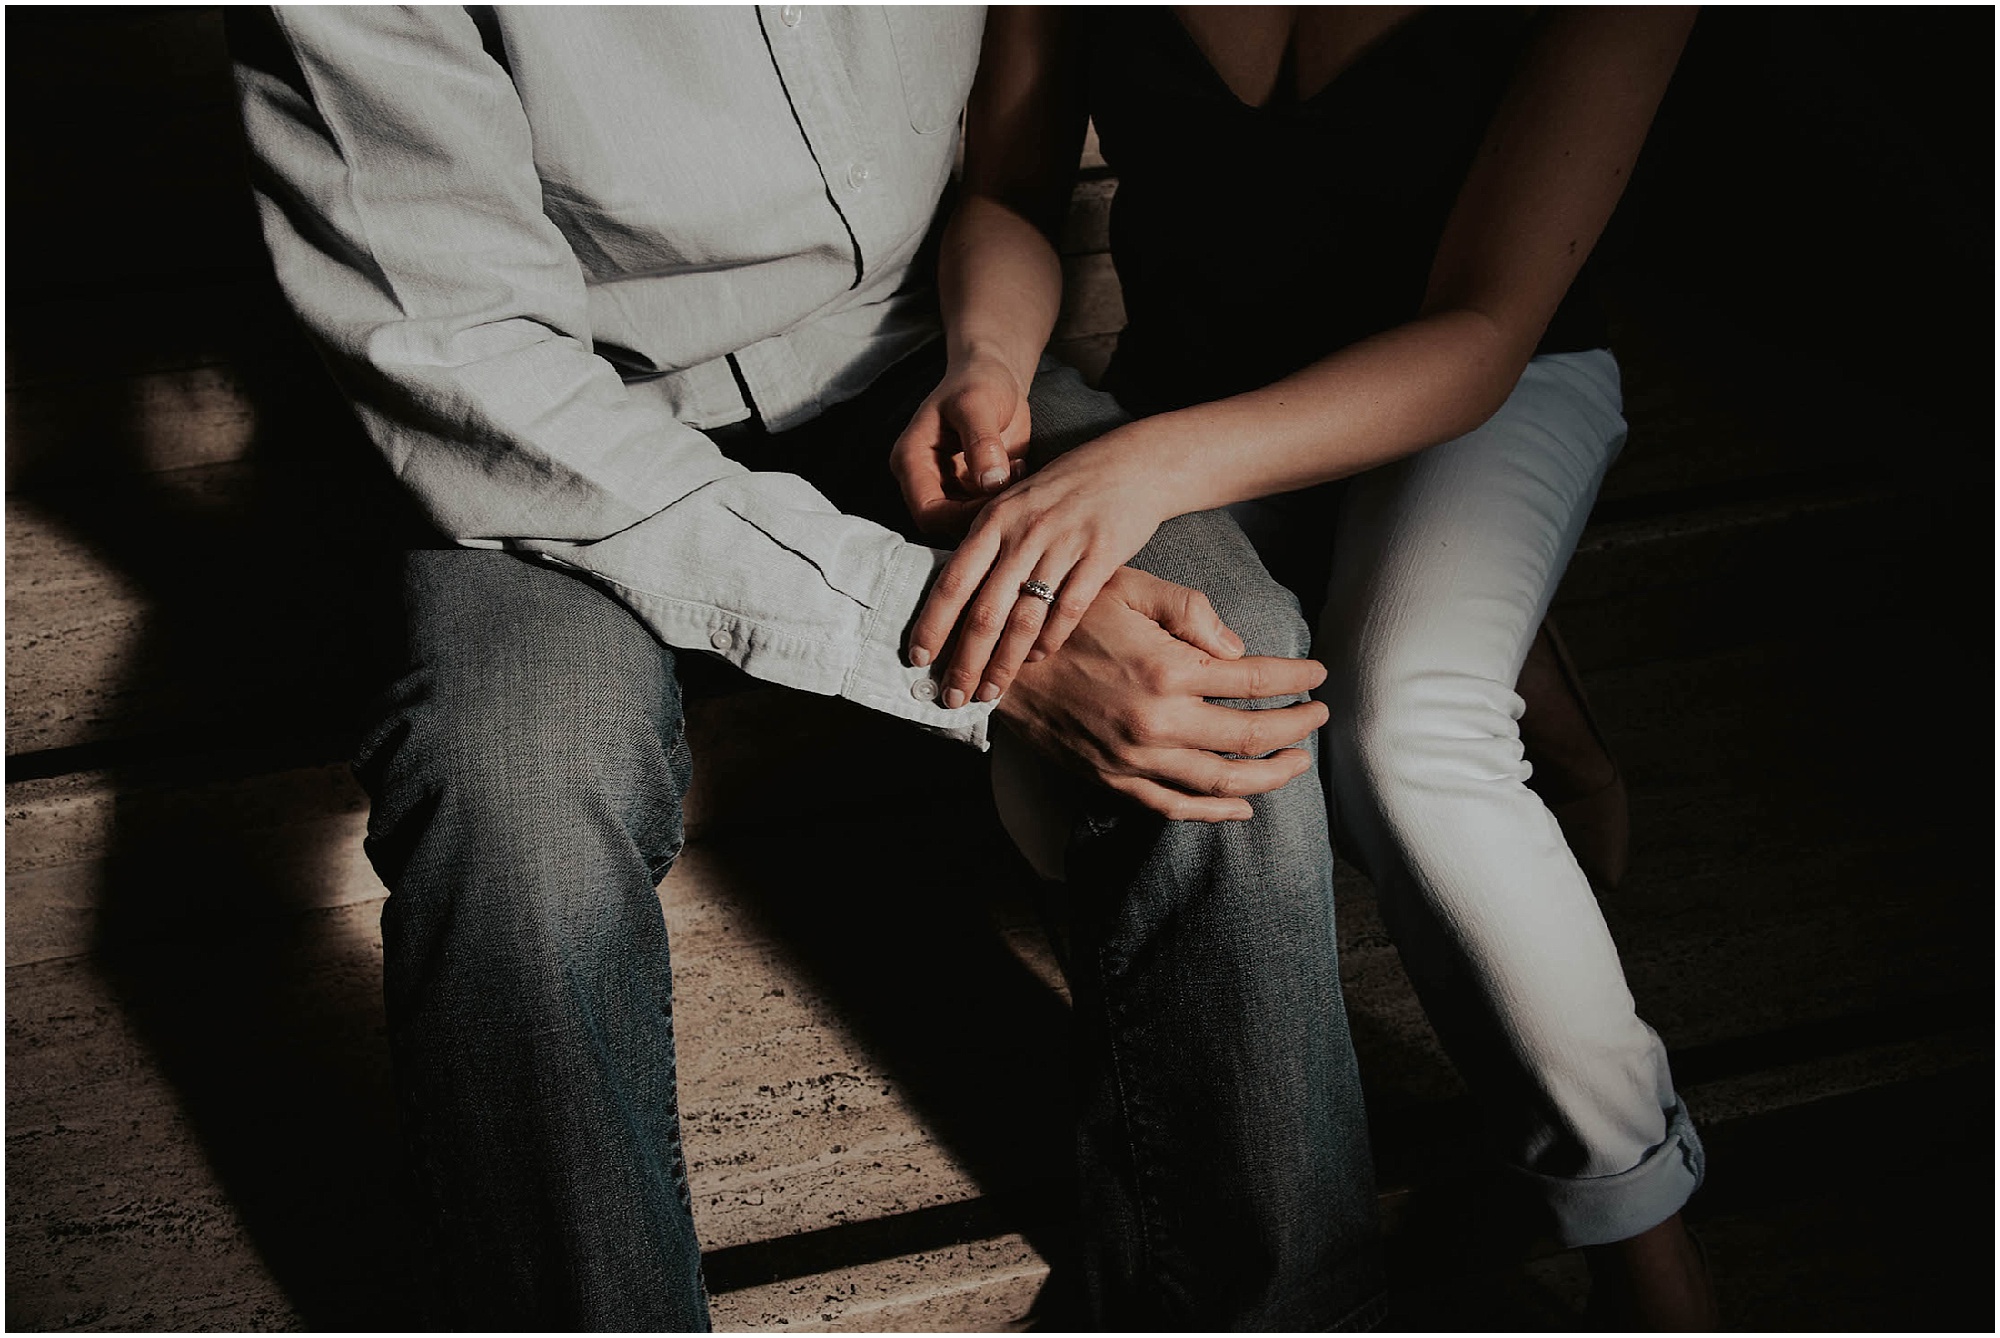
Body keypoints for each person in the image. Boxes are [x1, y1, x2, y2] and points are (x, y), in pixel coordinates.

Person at [230, 7, 1385, 1330]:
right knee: (508, 795)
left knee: (1225, 649)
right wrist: (974, 646)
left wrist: (985, 359)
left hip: (924, 346)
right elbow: (469, 366)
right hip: (561, 422)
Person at [894, 6, 1712, 1328]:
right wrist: (991, 363)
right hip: (1196, 389)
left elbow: (1485, 327)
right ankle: (1402, 599)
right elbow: (1010, 189)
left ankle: (1652, 1247)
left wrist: (1144, 467)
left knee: (1410, 737)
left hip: (1481, 390)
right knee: (1085, 780)